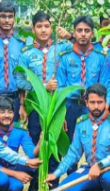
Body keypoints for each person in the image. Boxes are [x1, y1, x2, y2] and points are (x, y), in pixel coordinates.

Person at [45, 84, 110, 191]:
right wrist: (56, 174)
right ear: (86, 102)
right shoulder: (81, 123)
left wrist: (100, 165)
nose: (96, 106)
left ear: (105, 102)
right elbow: (73, 153)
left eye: (100, 102)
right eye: (92, 102)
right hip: (90, 170)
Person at [15, 11, 71, 144]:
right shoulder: (26, 53)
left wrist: (70, 36)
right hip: (36, 103)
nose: (43, 30)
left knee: (56, 140)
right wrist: (43, 87)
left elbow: (81, 47)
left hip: (56, 103)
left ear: (51, 28)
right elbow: (20, 81)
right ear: (33, 29)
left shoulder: (62, 48)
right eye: (39, 26)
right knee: (36, 137)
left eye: (47, 26)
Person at [56, 15, 109, 141]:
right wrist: (60, 114)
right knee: (70, 145)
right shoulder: (64, 57)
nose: (83, 34)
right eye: (79, 30)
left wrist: (104, 108)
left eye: (87, 30)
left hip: (93, 107)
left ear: (92, 34)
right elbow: (60, 87)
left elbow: (104, 86)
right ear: (74, 33)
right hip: (70, 106)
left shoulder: (101, 57)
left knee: (93, 143)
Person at [0, 96, 39, 191]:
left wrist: (41, 142)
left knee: (37, 166)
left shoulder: (20, 130)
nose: (7, 115)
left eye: (10, 112)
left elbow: (32, 155)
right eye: (2, 112)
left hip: (12, 166)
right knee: (15, 186)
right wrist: (16, 174)